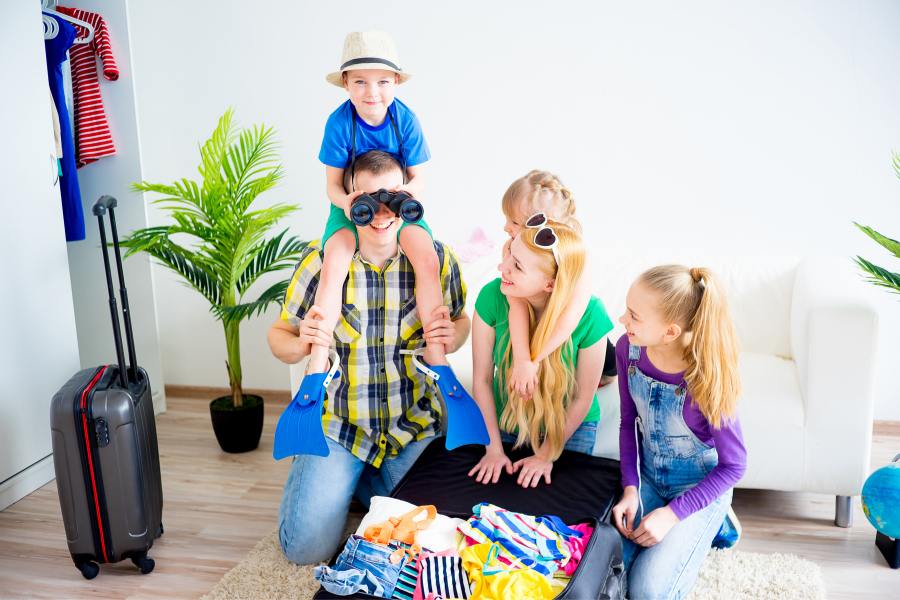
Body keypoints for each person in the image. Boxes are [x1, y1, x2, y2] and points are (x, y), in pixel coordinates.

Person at [267, 150, 469, 565]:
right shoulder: (322, 260)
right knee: (305, 550)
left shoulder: (437, 259)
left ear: (407, 200)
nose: (380, 214)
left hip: (410, 423)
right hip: (341, 427)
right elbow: (278, 337)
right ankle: (329, 473)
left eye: (391, 199)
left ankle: (363, 483)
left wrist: (456, 334)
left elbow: (462, 321)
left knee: (429, 541)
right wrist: (303, 341)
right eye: (367, 201)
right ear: (349, 201)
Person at [311, 30, 457, 392]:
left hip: (396, 201)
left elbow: (418, 177)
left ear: (395, 82)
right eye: (359, 81)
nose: (371, 92)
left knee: (427, 260)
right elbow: (332, 185)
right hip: (352, 202)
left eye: (381, 81)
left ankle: (437, 357)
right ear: (345, 83)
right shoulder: (339, 123)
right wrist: (347, 202)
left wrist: (404, 194)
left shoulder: (405, 120)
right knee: (334, 264)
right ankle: (316, 364)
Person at [611, 265, 747, 599]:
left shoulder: (707, 379)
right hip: (648, 480)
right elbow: (628, 422)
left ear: (670, 332)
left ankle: (717, 522)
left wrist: (671, 516)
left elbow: (735, 465)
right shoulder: (626, 351)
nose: (621, 320)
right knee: (604, 569)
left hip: (700, 488)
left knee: (647, 592)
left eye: (633, 316)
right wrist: (631, 490)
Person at [467, 221, 614, 488]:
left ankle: (611, 374)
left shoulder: (592, 313)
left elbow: (582, 398)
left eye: (518, 266)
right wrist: (494, 450)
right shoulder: (492, 296)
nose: (502, 266)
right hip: (508, 420)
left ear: (550, 284)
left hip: (570, 428)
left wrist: (546, 455)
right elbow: (482, 380)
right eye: (510, 253)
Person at [498, 170, 617, 401]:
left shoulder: (578, 254)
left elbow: (572, 315)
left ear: (541, 225)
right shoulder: (511, 247)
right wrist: (523, 360)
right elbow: (518, 306)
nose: (505, 227)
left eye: (514, 222)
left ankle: (610, 374)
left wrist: (535, 360)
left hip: (572, 324)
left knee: (609, 369)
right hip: (538, 319)